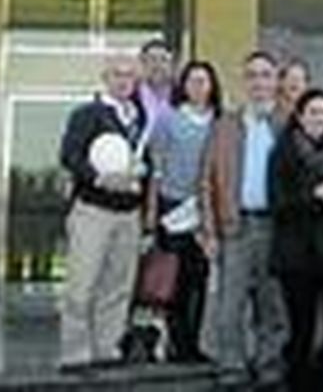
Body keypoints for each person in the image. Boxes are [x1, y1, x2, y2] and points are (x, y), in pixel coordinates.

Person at [57, 53, 151, 372]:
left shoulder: (139, 118)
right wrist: (98, 178)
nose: (124, 80)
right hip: (93, 211)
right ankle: (74, 354)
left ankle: (106, 349)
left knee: (118, 286)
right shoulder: (87, 114)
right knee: (81, 285)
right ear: (105, 78)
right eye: (117, 74)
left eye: (129, 75)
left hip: (129, 214)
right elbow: (69, 155)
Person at [201, 51, 289, 388]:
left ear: (276, 81)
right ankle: (232, 366)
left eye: (266, 75)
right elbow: (206, 180)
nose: (259, 83)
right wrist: (208, 230)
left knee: (273, 303)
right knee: (229, 305)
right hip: (235, 226)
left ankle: (269, 363)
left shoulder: (286, 124)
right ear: (244, 81)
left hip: (276, 228)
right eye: (252, 75)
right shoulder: (225, 125)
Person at [270, 89, 323, 390]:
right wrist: (319, 197)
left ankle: (316, 383)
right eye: (313, 112)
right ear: (300, 116)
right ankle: (297, 384)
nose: (319, 118)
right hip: (298, 253)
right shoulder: (284, 151)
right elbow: (280, 203)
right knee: (302, 331)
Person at [147, 60, 221, 363]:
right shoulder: (169, 119)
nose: (198, 87)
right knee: (174, 280)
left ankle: (194, 341)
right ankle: (179, 344)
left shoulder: (220, 121)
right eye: (192, 81)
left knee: (199, 277)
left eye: (204, 81)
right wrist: (152, 209)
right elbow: (157, 168)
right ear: (183, 86)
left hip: (204, 209)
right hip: (173, 207)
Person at [137, 38, 178, 135]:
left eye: (164, 60)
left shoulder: (182, 95)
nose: (158, 65)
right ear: (143, 63)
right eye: (152, 59)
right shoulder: (132, 96)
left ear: (172, 64)